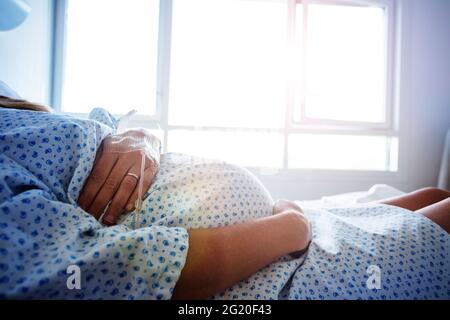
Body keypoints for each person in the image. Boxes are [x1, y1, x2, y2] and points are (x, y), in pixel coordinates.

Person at [0, 95, 448, 300]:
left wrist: (140, 139)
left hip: (289, 232)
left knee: (431, 194)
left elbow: (100, 125)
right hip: (279, 270)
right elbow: (121, 270)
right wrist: (289, 229)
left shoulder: (11, 113)